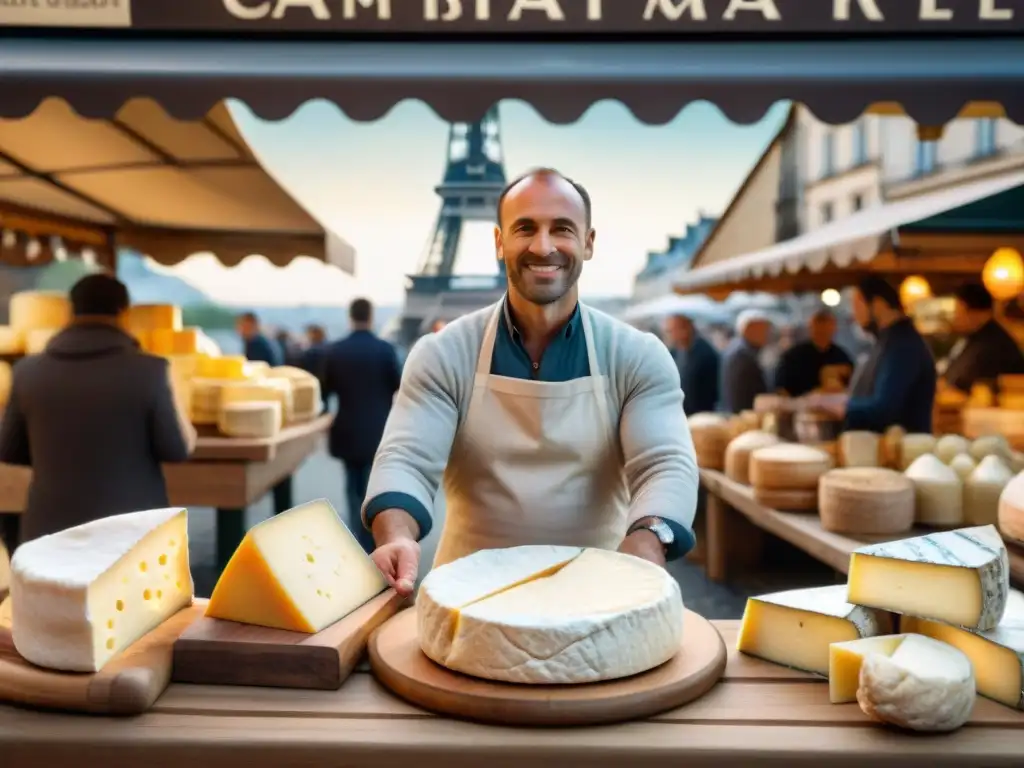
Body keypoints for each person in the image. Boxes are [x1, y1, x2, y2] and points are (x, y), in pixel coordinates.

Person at [362, 167, 699, 596]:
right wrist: (396, 535)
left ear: (588, 242)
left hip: (599, 593)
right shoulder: (442, 353)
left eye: (562, 229)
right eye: (525, 228)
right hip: (467, 597)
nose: (543, 246)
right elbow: (406, 459)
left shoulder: (637, 355)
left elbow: (665, 464)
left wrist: (649, 539)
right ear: (500, 242)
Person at [0, 274, 196, 544]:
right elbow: (177, 449)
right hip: (130, 539)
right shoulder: (150, 371)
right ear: (122, 312)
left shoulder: (26, 372)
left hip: (49, 536)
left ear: (71, 311)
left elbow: (8, 449)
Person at [321, 298, 403, 553]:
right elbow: (397, 385)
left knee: (352, 484)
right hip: (378, 427)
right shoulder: (386, 350)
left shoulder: (335, 350)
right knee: (372, 483)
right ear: (371, 315)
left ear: (350, 316)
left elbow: (325, 389)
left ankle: (357, 537)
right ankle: (372, 537)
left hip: (346, 427)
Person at [816, 276, 936, 433]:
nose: (854, 315)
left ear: (878, 304)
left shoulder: (902, 345)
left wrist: (841, 406)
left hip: (901, 449)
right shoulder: (889, 340)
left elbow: (885, 408)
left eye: (858, 306)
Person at [942, 282, 1024, 393]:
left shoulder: (993, 343)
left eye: (957, 311)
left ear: (975, 312)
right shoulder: (975, 337)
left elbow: (961, 381)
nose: (955, 317)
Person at [773, 308, 854, 397]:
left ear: (834, 328)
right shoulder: (793, 356)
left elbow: (852, 385)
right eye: (819, 327)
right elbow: (781, 388)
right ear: (811, 328)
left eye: (826, 327)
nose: (823, 330)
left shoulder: (841, 356)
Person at [663, 313, 719, 414]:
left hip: (702, 414)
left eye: (672, 331)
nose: (670, 335)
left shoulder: (705, 353)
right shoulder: (675, 351)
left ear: (685, 329)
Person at [720, 309, 772, 413]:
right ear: (748, 329)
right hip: (744, 417)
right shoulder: (743, 355)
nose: (768, 334)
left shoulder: (740, 349)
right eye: (763, 329)